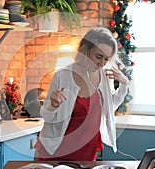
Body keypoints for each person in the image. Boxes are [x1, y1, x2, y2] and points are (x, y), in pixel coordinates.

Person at [35, 27, 129, 161]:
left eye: (106, 59)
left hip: (87, 149)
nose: (101, 64)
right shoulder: (62, 76)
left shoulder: (105, 76)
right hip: (56, 149)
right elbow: (47, 116)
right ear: (85, 50)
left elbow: (110, 106)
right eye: (98, 57)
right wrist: (53, 106)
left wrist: (124, 84)